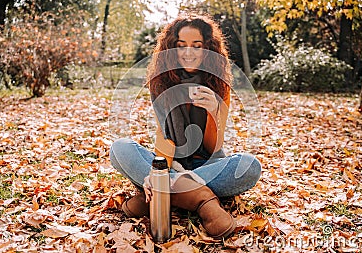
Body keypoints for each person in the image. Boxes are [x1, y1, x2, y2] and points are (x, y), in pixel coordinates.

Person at [110, 13, 261, 239]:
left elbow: (214, 146)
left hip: (209, 165)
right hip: (173, 164)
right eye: (181, 46)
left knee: (250, 166)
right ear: (172, 48)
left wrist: (214, 111)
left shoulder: (219, 83)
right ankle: (201, 200)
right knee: (119, 149)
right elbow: (166, 136)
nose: (188, 53)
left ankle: (163, 193)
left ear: (207, 49)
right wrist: (157, 172)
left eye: (196, 46)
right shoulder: (161, 83)